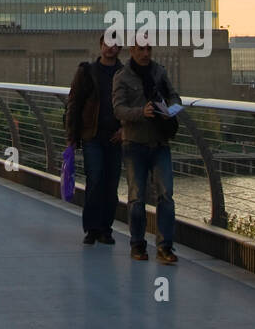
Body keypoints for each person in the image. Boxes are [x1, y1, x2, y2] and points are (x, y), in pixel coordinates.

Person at [113, 37, 182, 264]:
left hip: (160, 143)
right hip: (134, 144)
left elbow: (175, 97)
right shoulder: (122, 77)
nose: (145, 53)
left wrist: (168, 110)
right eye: (140, 49)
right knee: (136, 197)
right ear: (132, 50)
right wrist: (141, 112)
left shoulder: (159, 73)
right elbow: (119, 110)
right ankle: (137, 244)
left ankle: (165, 247)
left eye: (148, 49)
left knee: (166, 195)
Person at [65, 34, 123, 245]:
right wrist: (72, 136)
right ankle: (91, 229)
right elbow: (74, 103)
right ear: (100, 46)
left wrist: (125, 129)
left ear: (119, 48)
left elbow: (134, 102)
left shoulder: (125, 73)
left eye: (114, 45)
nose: (110, 48)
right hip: (92, 135)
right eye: (106, 44)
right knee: (95, 180)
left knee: (111, 184)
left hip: (116, 137)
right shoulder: (87, 71)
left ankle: (106, 229)